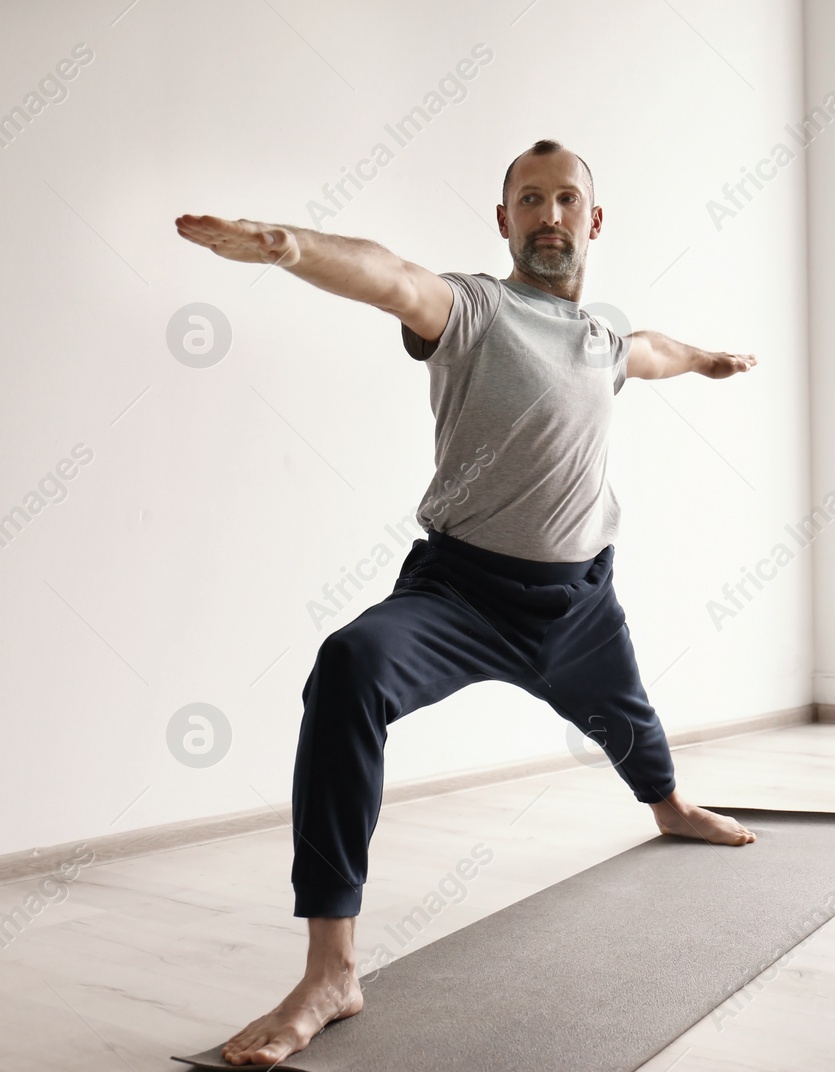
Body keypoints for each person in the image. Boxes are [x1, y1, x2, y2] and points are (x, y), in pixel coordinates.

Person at [174, 138, 759, 1067]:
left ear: (592, 220)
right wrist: (292, 246)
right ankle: (332, 969)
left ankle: (671, 805)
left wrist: (709, 359)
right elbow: (392, 277)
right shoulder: (477, 310)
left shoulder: (603, 340)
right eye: (530, 200)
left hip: (579, 605)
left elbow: (654, 351)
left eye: (567, 200)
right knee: (351, 666)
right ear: (505, 221)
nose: (550, 215)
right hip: (462, 595)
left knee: (632, 719)